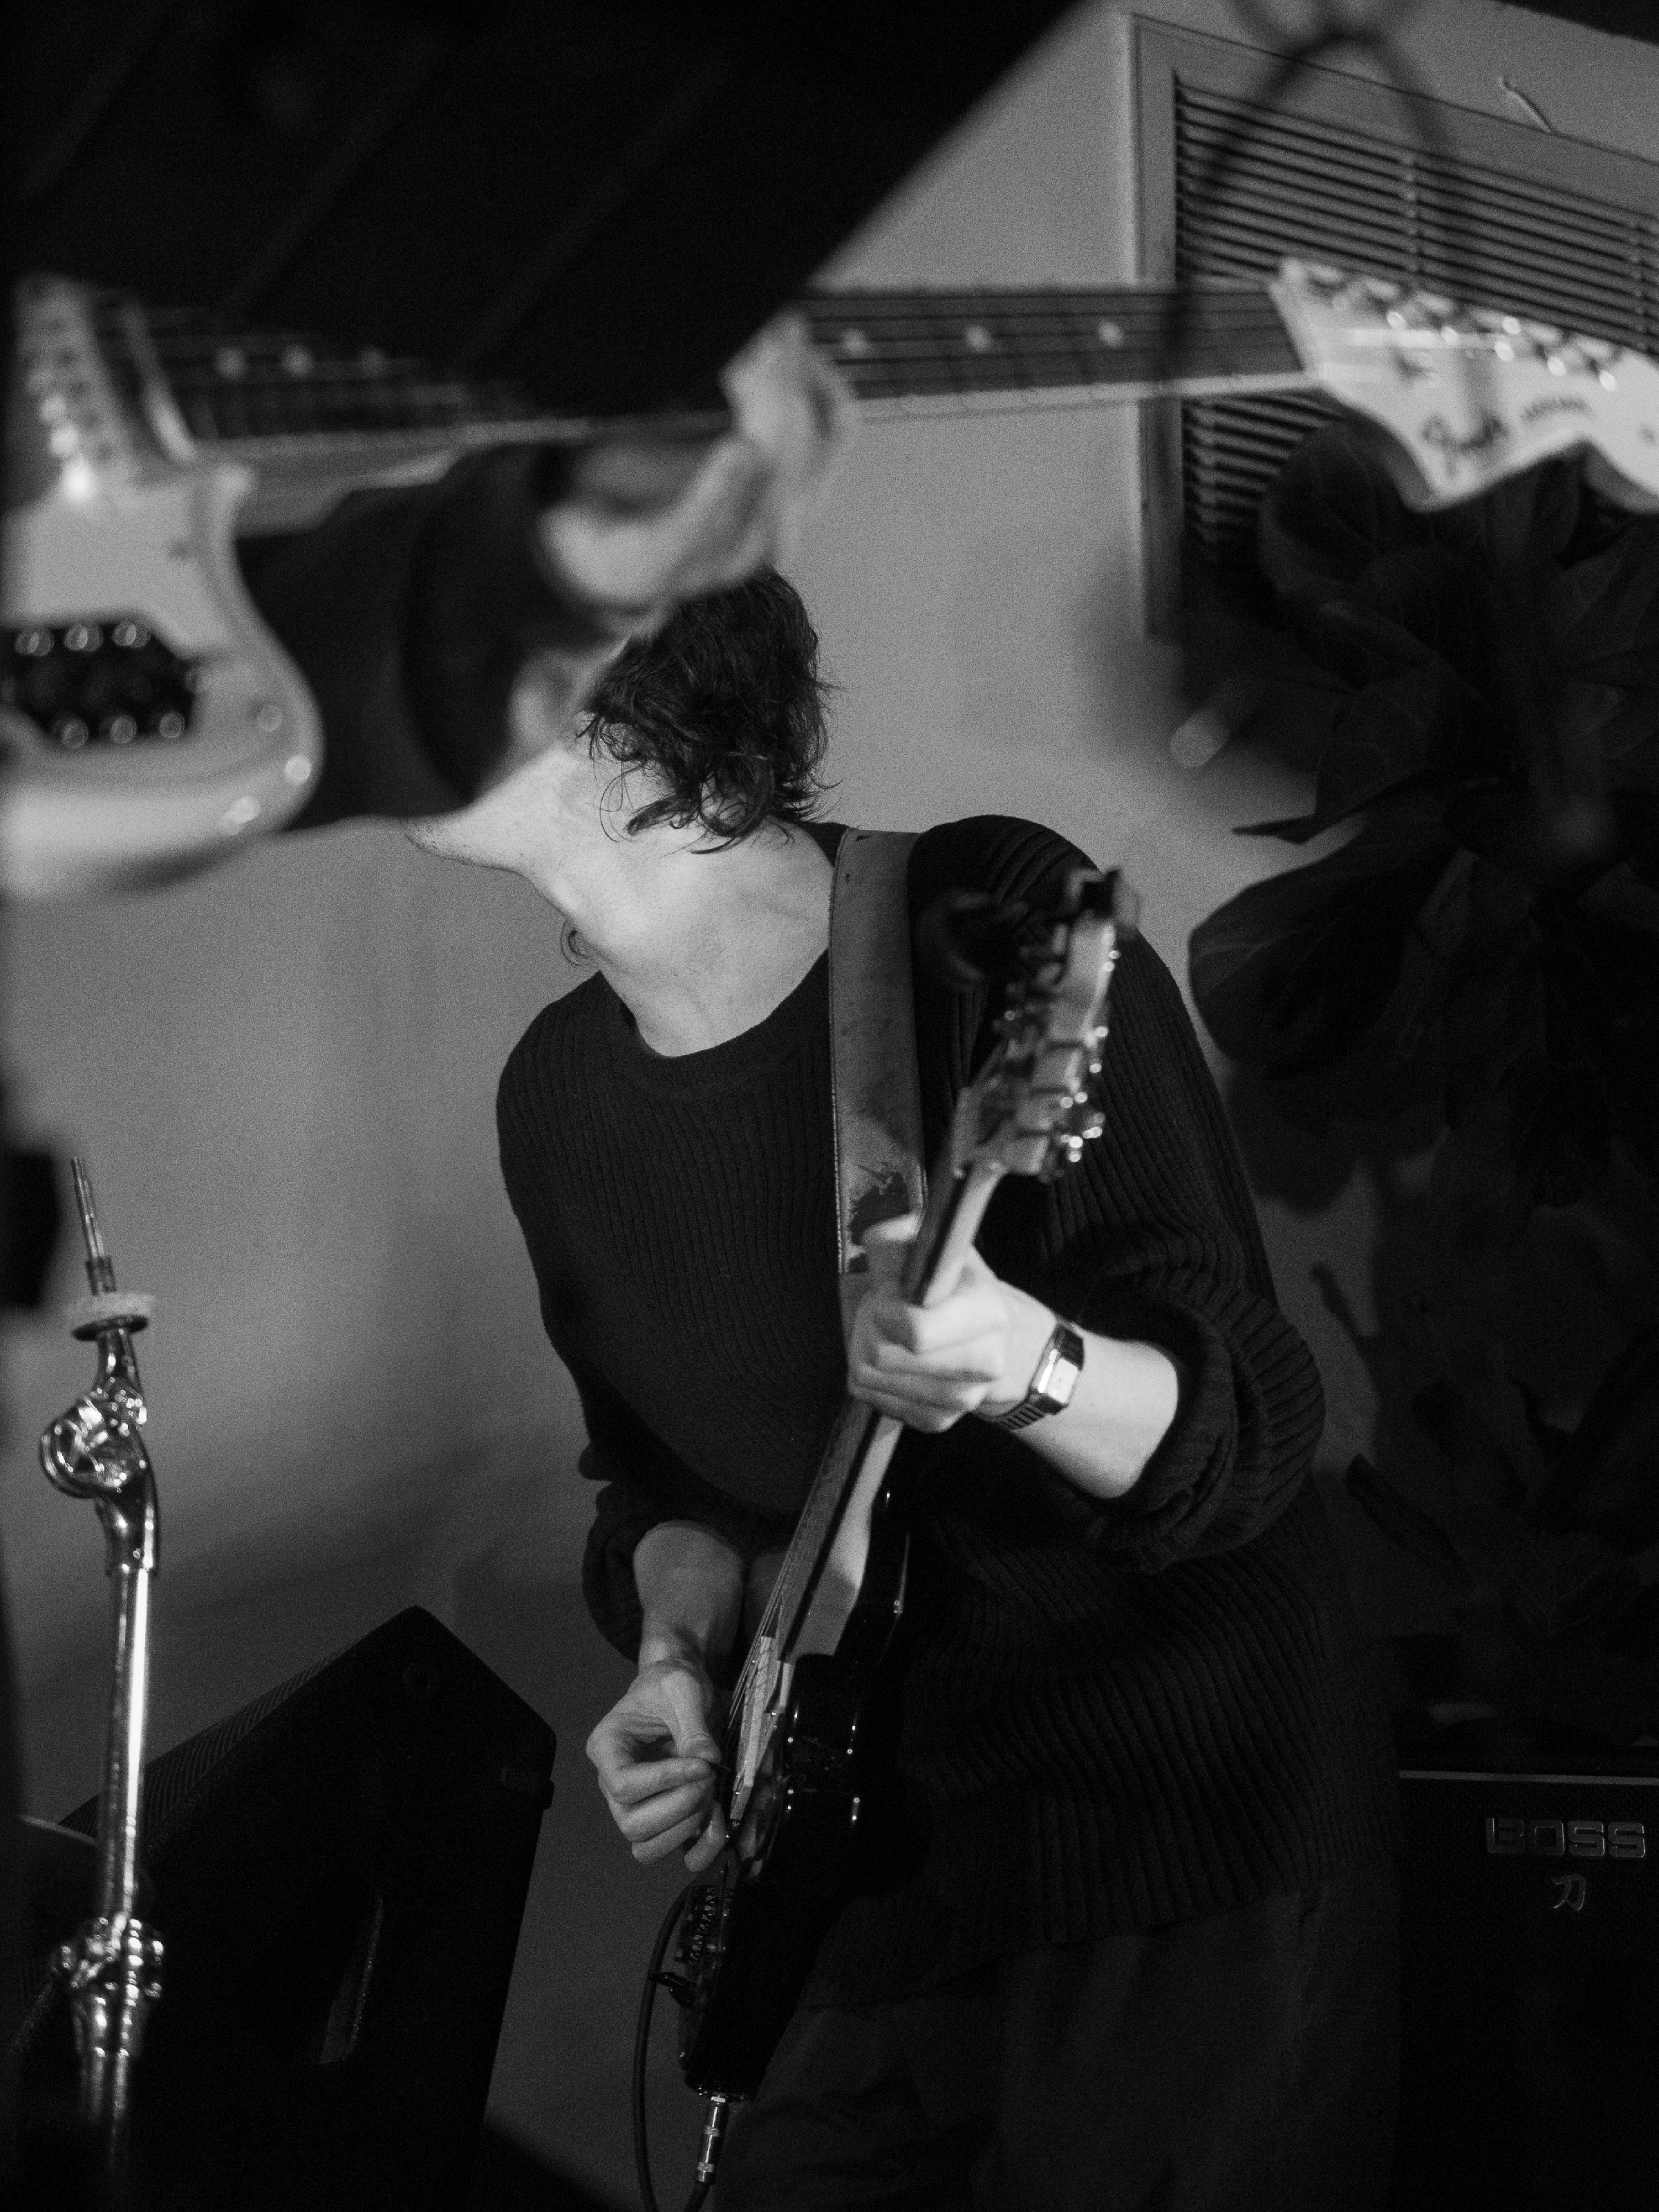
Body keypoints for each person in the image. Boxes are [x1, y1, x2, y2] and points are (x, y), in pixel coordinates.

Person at [398, 463, 1405, 2200]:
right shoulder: (554, 1097)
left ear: (637, 705)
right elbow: (653, 1487)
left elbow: (1246, 1429)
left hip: (1176, 1839)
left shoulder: (980, 919)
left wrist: (1022, 1359)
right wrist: (675, 1654)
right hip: (864, 1873)